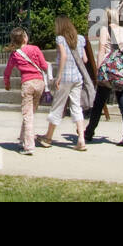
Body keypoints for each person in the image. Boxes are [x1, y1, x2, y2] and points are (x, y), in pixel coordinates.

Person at [84, 8, 123, 147]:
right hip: (121, 72)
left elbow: (101, 50)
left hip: (108, 71)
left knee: (99, 102)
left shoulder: (105, 30)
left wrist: (100, 69)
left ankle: (89, 132)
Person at [40, 15, 91, 151]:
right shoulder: (80, 39)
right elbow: (85, 60)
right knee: (76, 107)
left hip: (65, 78)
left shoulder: (60, 39)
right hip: (77, 78)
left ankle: (48, 137)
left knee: (57, 106)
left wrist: (59, 75)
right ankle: (81, 139)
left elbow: (63, 56)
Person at [2, 27, 51, 155]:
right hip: (39, 83)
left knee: (27, 114)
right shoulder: (35, 49)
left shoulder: (15, 54)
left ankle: (29, 146)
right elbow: (44, 66)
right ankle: (23, 139)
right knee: (30, 112)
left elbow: (7, 71)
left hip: (27, 83)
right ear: (25, 38)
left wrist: (7, 83)